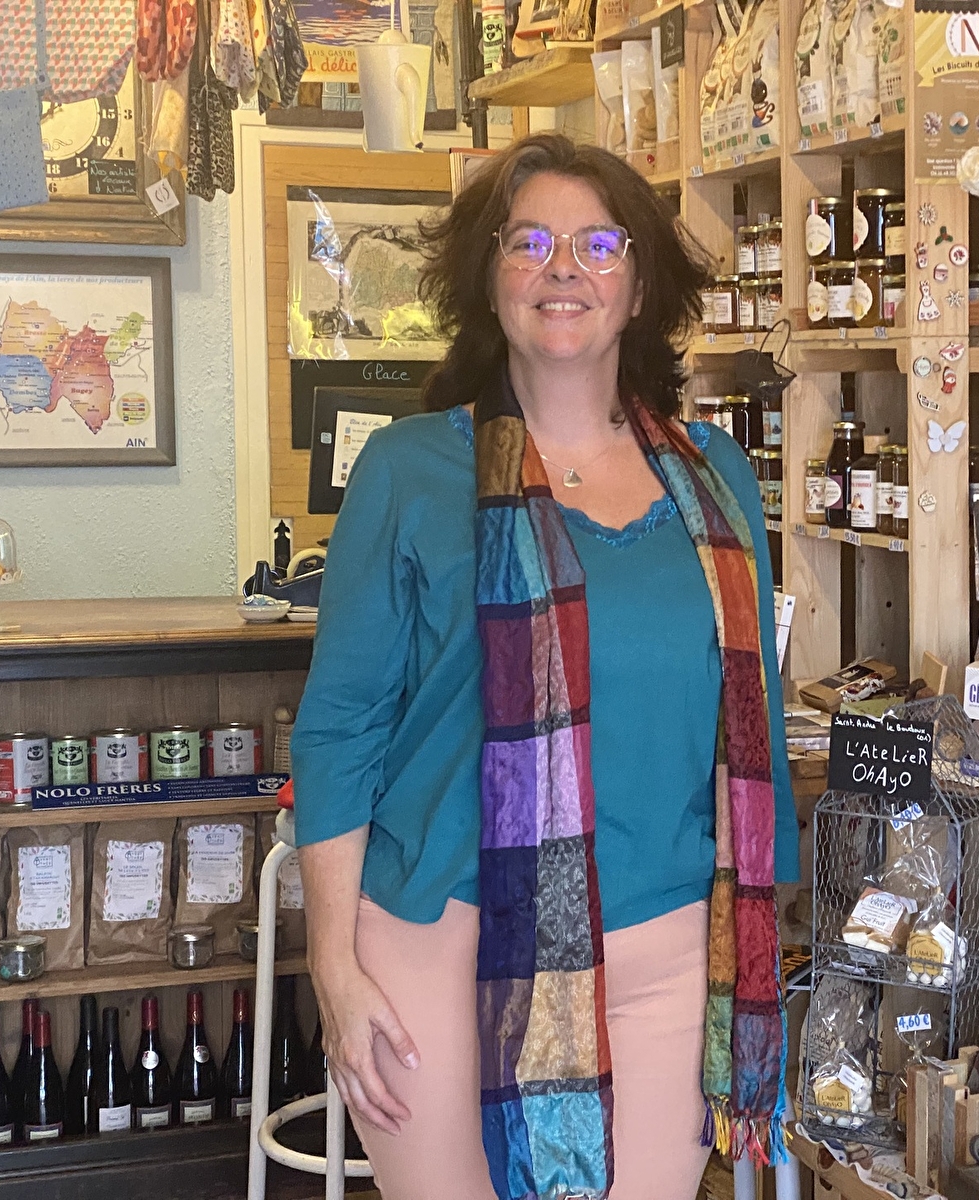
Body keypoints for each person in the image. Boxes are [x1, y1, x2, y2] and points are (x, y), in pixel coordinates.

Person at [290, 133, 798, 1200]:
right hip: (441, 949)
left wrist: (754, 953)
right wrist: (335, 970)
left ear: (639, 286)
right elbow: (340, 730)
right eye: (528, 243)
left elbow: (749, 730)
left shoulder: (718, 482)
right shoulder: (408, 471)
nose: (563, 268)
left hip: (665, 959)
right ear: (488, 279)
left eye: (598, 244)